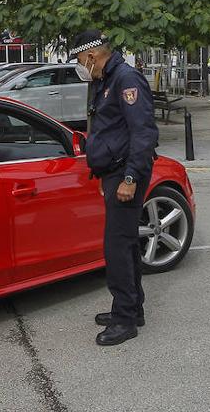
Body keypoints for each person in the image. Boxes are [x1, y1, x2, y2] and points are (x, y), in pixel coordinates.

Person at [69, 29, 158, 346]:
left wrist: (130, 178)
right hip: (114, 172)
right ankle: (133, 308)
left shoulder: (125, 79)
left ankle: (125, 320)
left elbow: (144, 133)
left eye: (80, 58)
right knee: (127, 243)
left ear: (91, 55)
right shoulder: (105, 79)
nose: (80, 65)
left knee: (117, 247)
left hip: (126, 174)